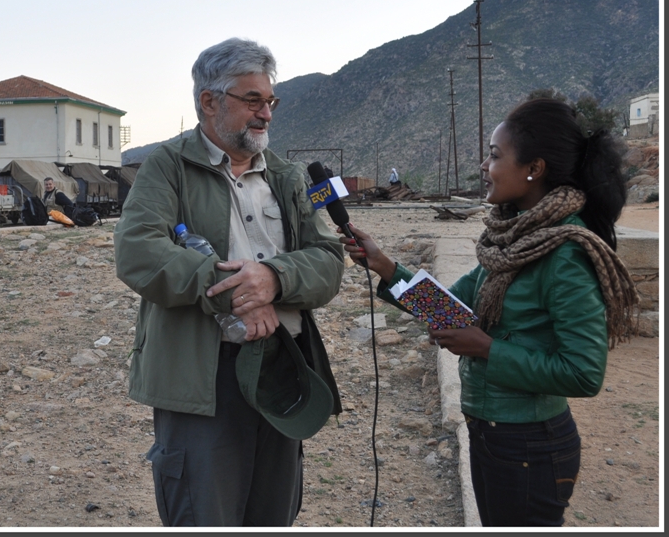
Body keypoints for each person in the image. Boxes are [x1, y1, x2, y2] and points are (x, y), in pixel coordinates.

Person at [340, 98, 639, 527]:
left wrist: (486, 348)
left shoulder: (566, 252)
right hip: (491, 434)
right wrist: (385, 265)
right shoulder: (510, 239)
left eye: (495, 156)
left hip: (530, 448)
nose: (484, 165)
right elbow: (450, 309)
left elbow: (584, 373)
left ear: (533, 169)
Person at [114, 38, 345, 526]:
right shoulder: (167, 166)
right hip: (205, 373)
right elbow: (138, 252)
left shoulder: (288, 175)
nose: (266, 114)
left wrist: (273, 279)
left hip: (283, 363)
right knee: (205, 511)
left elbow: (327, 258)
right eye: (252, 100)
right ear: (209, 101)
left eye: (271, 102)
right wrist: (239, 295)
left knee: (273, 511)